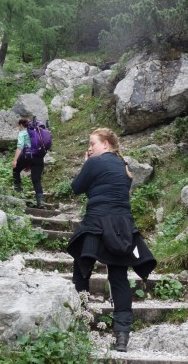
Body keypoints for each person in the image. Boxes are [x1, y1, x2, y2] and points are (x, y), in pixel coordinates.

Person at [67, 127, 157, 352]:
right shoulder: (124, 166)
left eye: (92, 144)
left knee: (81, 271)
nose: (89, 148)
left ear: (105, 144)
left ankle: (81, 323)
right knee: (118, 278)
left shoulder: (94, 163)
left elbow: (76, 188)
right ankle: (122, 335)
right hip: (122, 227)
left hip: (96, 223)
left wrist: (85, 163)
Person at [12, 117, 45, 208]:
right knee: (36, 180)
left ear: (21, 125)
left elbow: (20, 147)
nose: (18, 127)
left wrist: (15, 160)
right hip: (39, 158)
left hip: (27, 156)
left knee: (16, 170)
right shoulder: (36, 132)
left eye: (18, 126)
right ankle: (40, 202)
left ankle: (19, 194)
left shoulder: (22, 133)